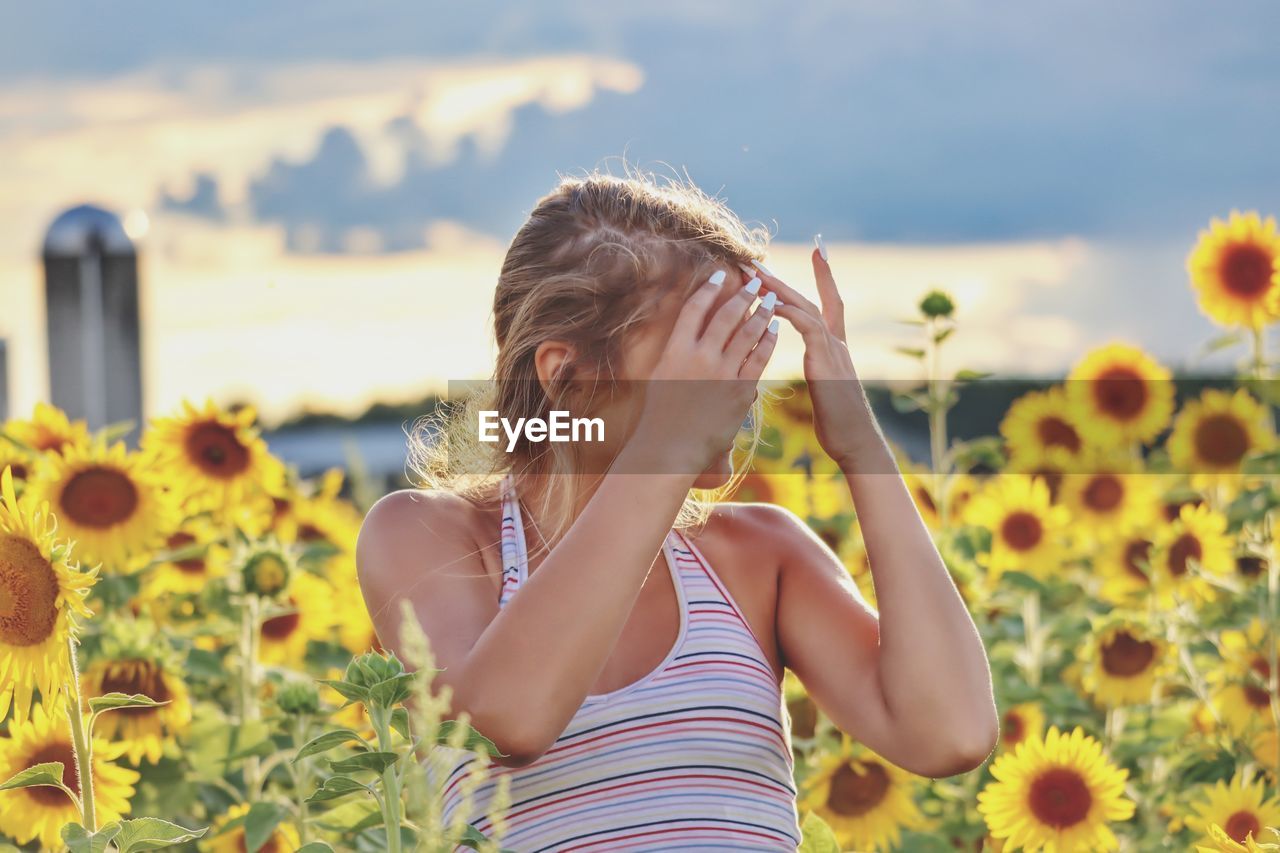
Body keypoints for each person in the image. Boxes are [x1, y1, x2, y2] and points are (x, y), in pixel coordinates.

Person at [356, 165, 999, 851]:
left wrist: (861, 445)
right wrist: (667, 441)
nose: (736, 384)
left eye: (742, 343)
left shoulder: (758, 556)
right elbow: (508, 720)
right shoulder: (436, 538)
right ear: (565, 376)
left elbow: (950, 733)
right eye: (699, 352)